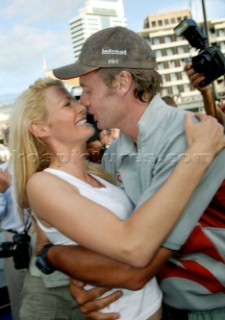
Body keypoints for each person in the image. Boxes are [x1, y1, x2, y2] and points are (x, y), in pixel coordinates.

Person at [9, 71, 224, 320]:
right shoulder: (43, 184)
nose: (82, 105)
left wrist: (57, 258)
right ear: (39, 127)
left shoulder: (104, 173)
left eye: (78, 97)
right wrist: (199, 153)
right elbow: (134, 255)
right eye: (68, 103)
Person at [0, 161, 28, 320]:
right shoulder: (2, 171)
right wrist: (2, 191)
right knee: (18, 296)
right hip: (13, 239)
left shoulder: (45, 166)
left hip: (42, 238)